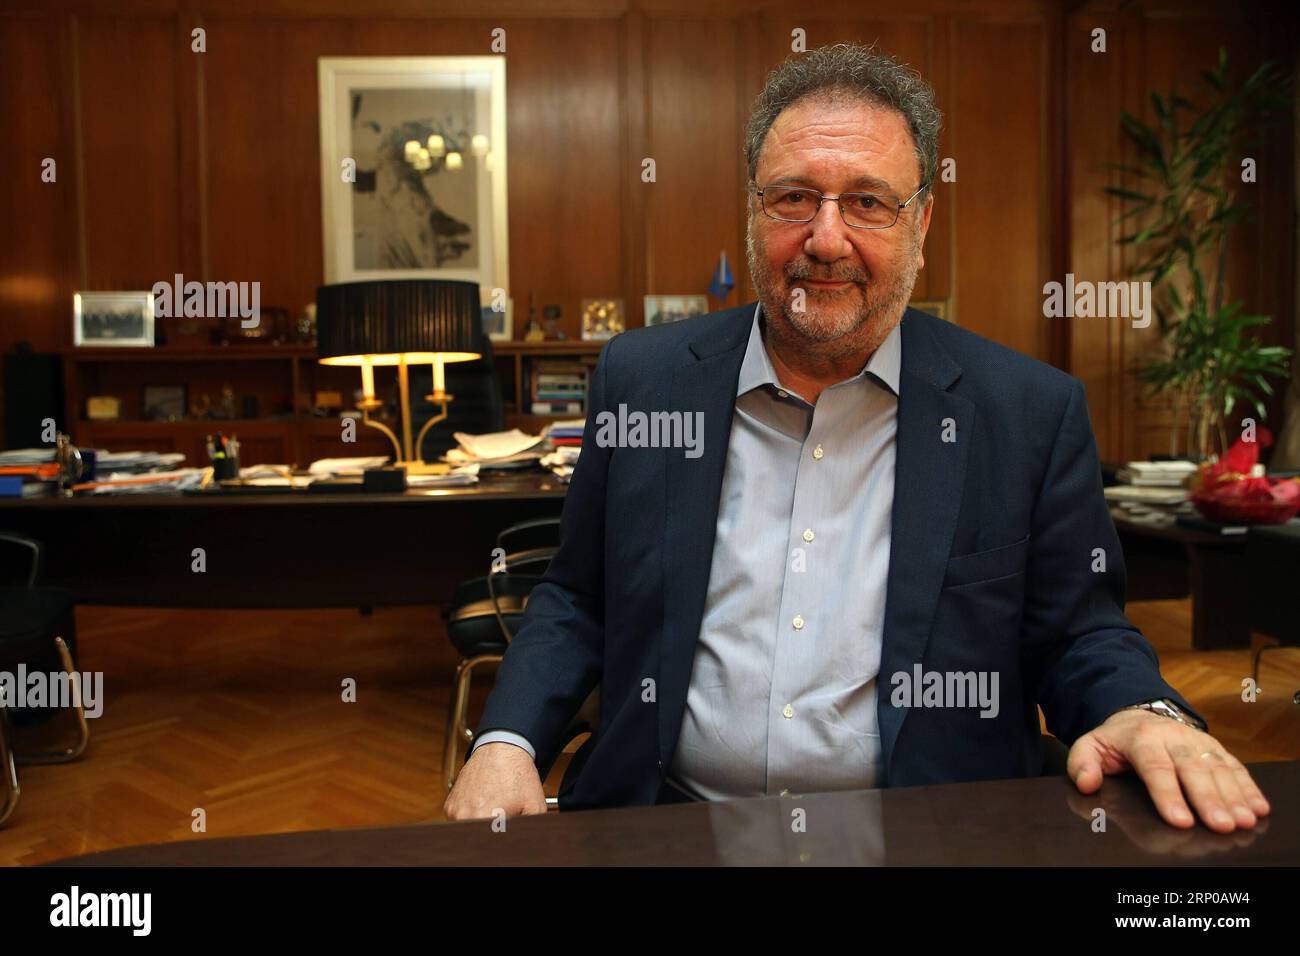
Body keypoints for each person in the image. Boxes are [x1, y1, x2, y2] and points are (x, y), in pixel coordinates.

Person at [445, 43, 1270, 833]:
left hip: (931, 835)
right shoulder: (644, 380)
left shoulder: (1026, 412)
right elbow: (578, 597)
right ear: (752, 209)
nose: (826, 239)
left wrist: (1145, 714)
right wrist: (506, 741)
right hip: (666, 822)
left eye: (868, 202)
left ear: (922, 223)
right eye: (793, 198)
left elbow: (1080, 632)